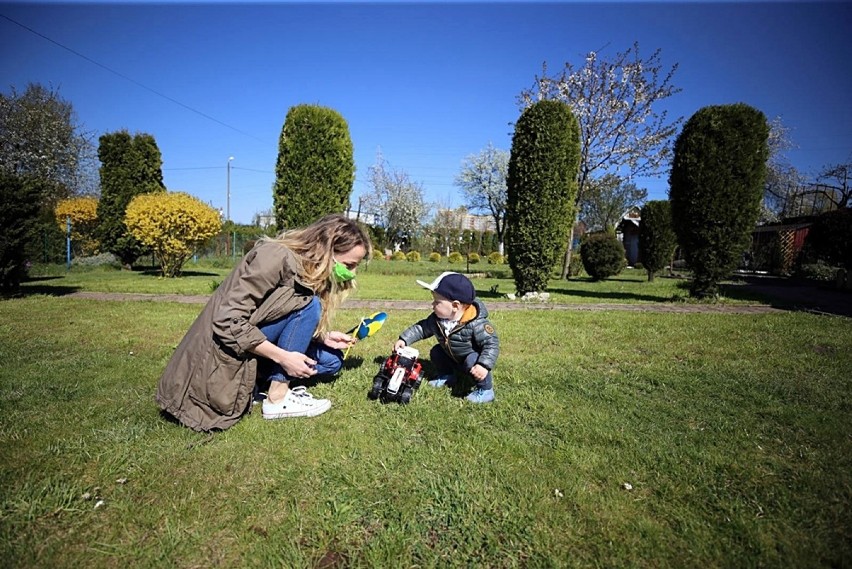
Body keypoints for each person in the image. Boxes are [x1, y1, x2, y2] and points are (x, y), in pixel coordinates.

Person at [156, 213, 371, 432]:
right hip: (220, 351)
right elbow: (228, 321)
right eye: (349, 264)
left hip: (248, 341)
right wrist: (284, 358)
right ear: (327, 249)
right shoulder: (273, 256)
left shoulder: (306, 268)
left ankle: (256, 384)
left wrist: (323, 336)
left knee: (331, 361)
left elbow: (273, 313)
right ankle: (278, 398)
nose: (352, 274)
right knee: (311, 305)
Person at [393, 272, 499, 404]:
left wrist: (483, 364)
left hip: (473, 362)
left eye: (437, 301)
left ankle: (486, 390)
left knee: (472, 358)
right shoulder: (438, 319)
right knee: (437, 351)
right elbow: (421, 328)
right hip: (453, 356)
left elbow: (491, 344)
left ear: (455, 306)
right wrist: (404, 339)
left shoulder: (476, 323)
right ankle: (447, 375)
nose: (432, 304)